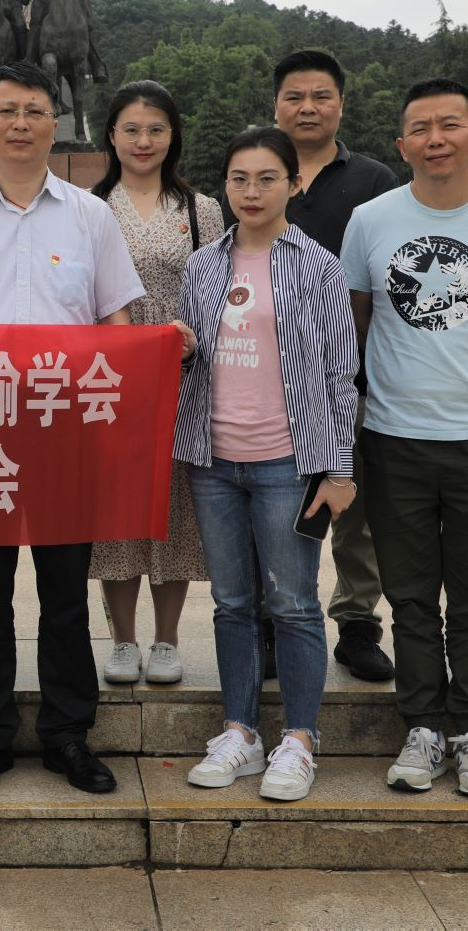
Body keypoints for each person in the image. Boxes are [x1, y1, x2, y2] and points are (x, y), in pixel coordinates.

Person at [0, 61, 144, 796]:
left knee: (64, 593)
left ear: (57, 126)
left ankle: (67, 734)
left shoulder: (90, 216)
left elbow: (116, 321)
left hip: (64, 427)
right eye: (7, 111)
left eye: (35, 111)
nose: (20, 124)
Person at [341, 79, 468, 799]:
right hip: (394, 439)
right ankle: (423, 726)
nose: (436, 139)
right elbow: (356, 322)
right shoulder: (370, 220)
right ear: (401, 144)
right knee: (409, 598)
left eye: (450, 124)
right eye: (421, 128)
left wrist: (463, 372)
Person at [171, 126, 357, 803]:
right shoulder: (202, 266)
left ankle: (300, 739)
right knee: (232, 603)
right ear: (224, 186)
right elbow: (193, 358)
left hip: (288, 462)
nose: (251, 192)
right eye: (239, 179)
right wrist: (180, 345)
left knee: (294, 604)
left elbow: (341, 374)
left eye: (267, 178)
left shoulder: (320, 267)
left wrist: (340, 470)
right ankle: (241, 732)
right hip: (213, 461)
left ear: (294, 184)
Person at [254, 49, 402, 684]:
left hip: (352, 374)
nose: (307, 108)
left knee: (354, 505)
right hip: (263, 378)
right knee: (272, 504)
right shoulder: (256, 171)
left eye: (321, 96)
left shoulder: (374, 180)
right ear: (275, 106)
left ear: (341, 104)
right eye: (294, 96)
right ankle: (270, 619)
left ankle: (357, 622)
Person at [88, 81, 224, 686]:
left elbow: (217, 289)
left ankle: (166, 639)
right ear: (111, 135)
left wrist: (194, 338)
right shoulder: (88, 206)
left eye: (156, 130)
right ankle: (122, 639)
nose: (143, 141)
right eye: (132, 129)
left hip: (180, 376)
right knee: (115, 506)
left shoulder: (202, 209)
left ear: (173, 137)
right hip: (107, 381)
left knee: (175, 506)